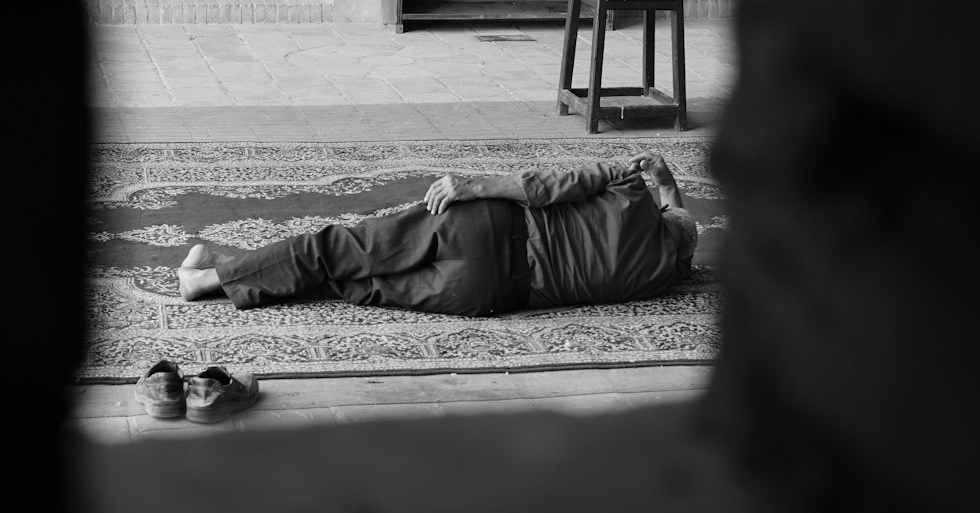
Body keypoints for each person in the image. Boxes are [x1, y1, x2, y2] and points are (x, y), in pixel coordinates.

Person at [177, 153, 698, 318]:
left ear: (662, 208)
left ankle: (209, 279)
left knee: (339, 250)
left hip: (482, 229)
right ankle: (226, 271)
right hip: (487, 295)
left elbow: (547, 186)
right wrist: (672, 205)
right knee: (346, 285)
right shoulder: (658, 279)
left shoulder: (630, 188)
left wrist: (472, 184)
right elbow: (679, 236)